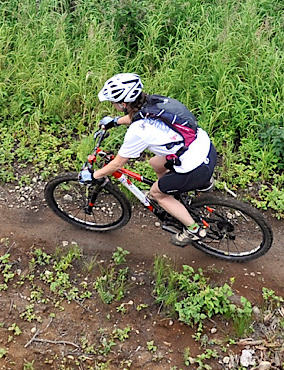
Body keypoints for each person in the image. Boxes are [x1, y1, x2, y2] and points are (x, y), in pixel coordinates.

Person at [84, 73, 217, 247]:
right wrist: (115, 122)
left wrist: (93, 176)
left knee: (156, 194)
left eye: (113, 103)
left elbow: (116, 164)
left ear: (123, 104)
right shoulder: (155, 101)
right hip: (205, 148)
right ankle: (195, 187)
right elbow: (137, 116)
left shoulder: (138, 131)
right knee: (155, 163)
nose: (112, 105)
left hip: (195, 167)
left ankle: (193, 230)